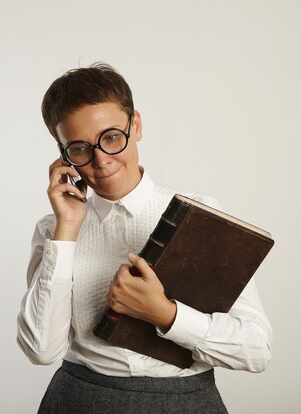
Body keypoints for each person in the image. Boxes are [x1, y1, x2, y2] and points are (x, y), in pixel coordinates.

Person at [17, 63, 272, 414]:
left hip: (186, 403)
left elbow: (255, 349)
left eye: (111, 138)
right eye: (79, 149)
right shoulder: (55, 228)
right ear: (63, 156)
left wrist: (165, 314)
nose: (102, 161)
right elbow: (41, 350)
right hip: (80, 401)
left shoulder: (200, 215)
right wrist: (67, 231)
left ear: (135, 126)